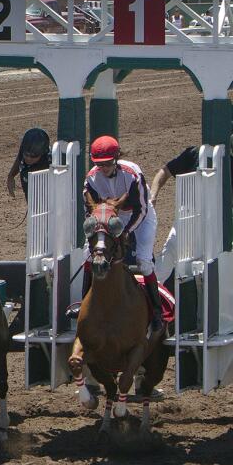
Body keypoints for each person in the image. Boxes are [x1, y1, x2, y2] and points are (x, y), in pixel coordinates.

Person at [82, 135, 163, 336]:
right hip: (108, 218)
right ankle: (83, 304)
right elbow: (90, 210)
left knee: (143, 261)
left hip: (139, 217)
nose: (104, 168)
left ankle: (157, 312)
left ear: (116, 159)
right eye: (99, 164)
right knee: (88, 256)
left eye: (108, 164)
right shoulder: (91, 178)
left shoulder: (132, 174)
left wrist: (126, 232)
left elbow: (141, 210)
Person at [148, 145, 199, 281]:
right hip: (187, 220)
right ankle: (149, 298)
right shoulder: (195, 154)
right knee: (165, 261)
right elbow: (165, 171)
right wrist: (153, 195)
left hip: (217, 228)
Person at [6, 127, 52, 200]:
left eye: (33, 156)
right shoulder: (25, 149)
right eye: (26, 155)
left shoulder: (50, 163)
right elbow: (20, 157)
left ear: (43, 153)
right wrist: (11, 176)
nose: (28, 158)